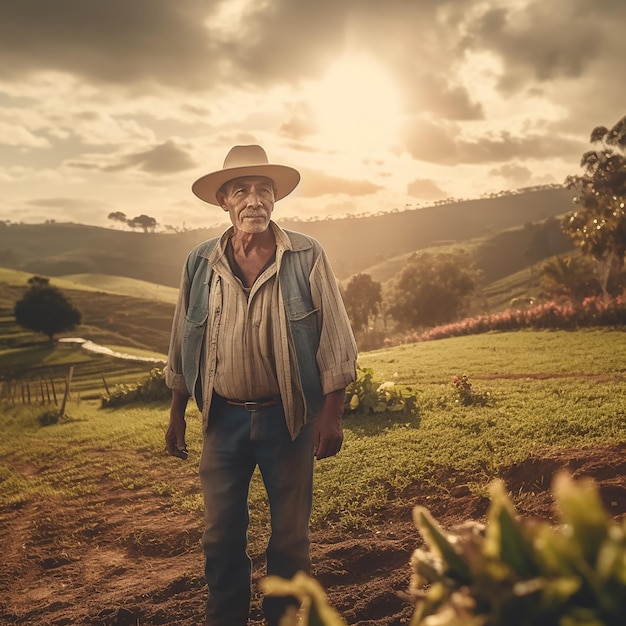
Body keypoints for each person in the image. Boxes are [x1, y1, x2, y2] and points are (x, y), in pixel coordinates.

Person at [164, 144, 358, 626]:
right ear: (224, 202)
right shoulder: (199, 262)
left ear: (275, 200)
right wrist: (175, 412)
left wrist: (330, 415)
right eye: (242, 191)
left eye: (263, 191)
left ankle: (285, 620)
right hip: (222, 419)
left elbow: (336, 338)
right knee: (220, 534)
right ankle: (224, 618)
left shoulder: (307, 254)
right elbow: (182, 338)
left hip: (288, 418)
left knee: (290, 536)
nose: (254, 200)